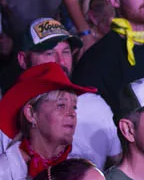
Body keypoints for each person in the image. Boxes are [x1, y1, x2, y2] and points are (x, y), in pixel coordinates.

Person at [0, 62, 94, 180]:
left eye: (74, 107)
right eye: (61, 105)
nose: (71, 114)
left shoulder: (80, 168)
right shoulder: (4, 173)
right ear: (31, 114)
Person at [11, 17, 121, 169]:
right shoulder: (7, 115)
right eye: (49, 53)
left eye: (66, 52)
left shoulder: (96, 106)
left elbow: (119, 168)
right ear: (23, 60)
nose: (61, 62)